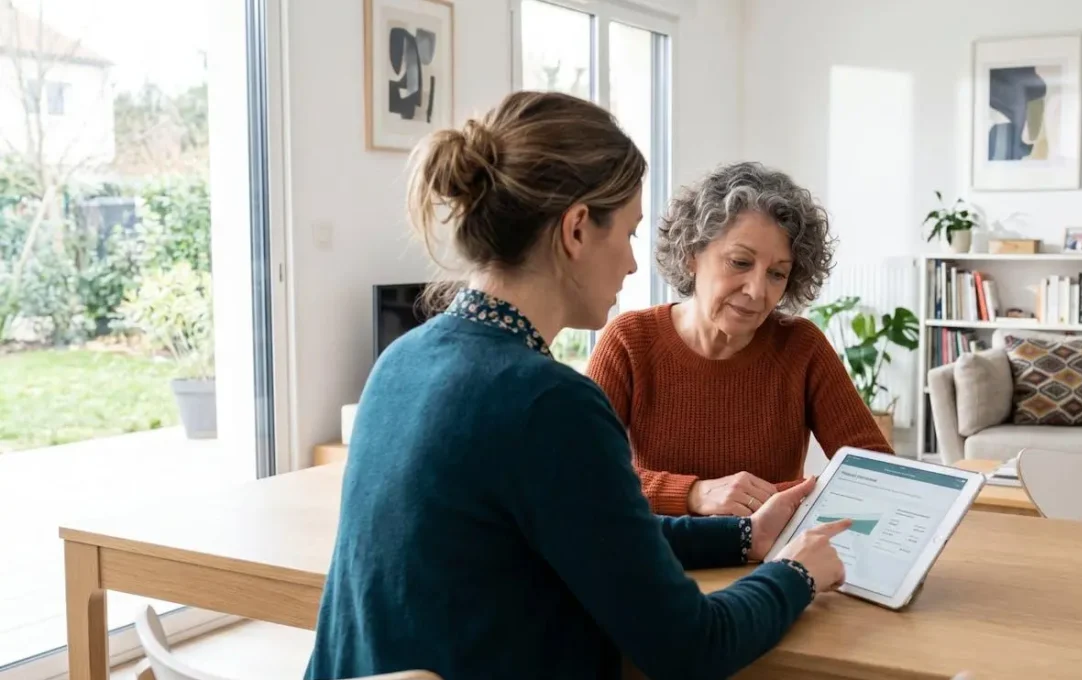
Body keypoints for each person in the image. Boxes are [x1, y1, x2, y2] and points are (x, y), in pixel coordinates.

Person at [304, 92, 851, 680]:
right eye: (630, 234)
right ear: (577, 229)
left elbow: (599, 532)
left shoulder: (401, 360)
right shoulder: (549, 404)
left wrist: (742, 536)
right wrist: (794, 572)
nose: (634, 266)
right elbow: (691, 646)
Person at [586, 162, 892, 517]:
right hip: (663, 557)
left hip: (770, 559)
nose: (758, 291)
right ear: (692, 256)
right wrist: (694, 494)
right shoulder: (630, 341)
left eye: (777, 274)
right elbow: (580, 471)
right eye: (740, 262)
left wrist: (770, 498)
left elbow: (879, 475)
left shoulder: (802, 346)